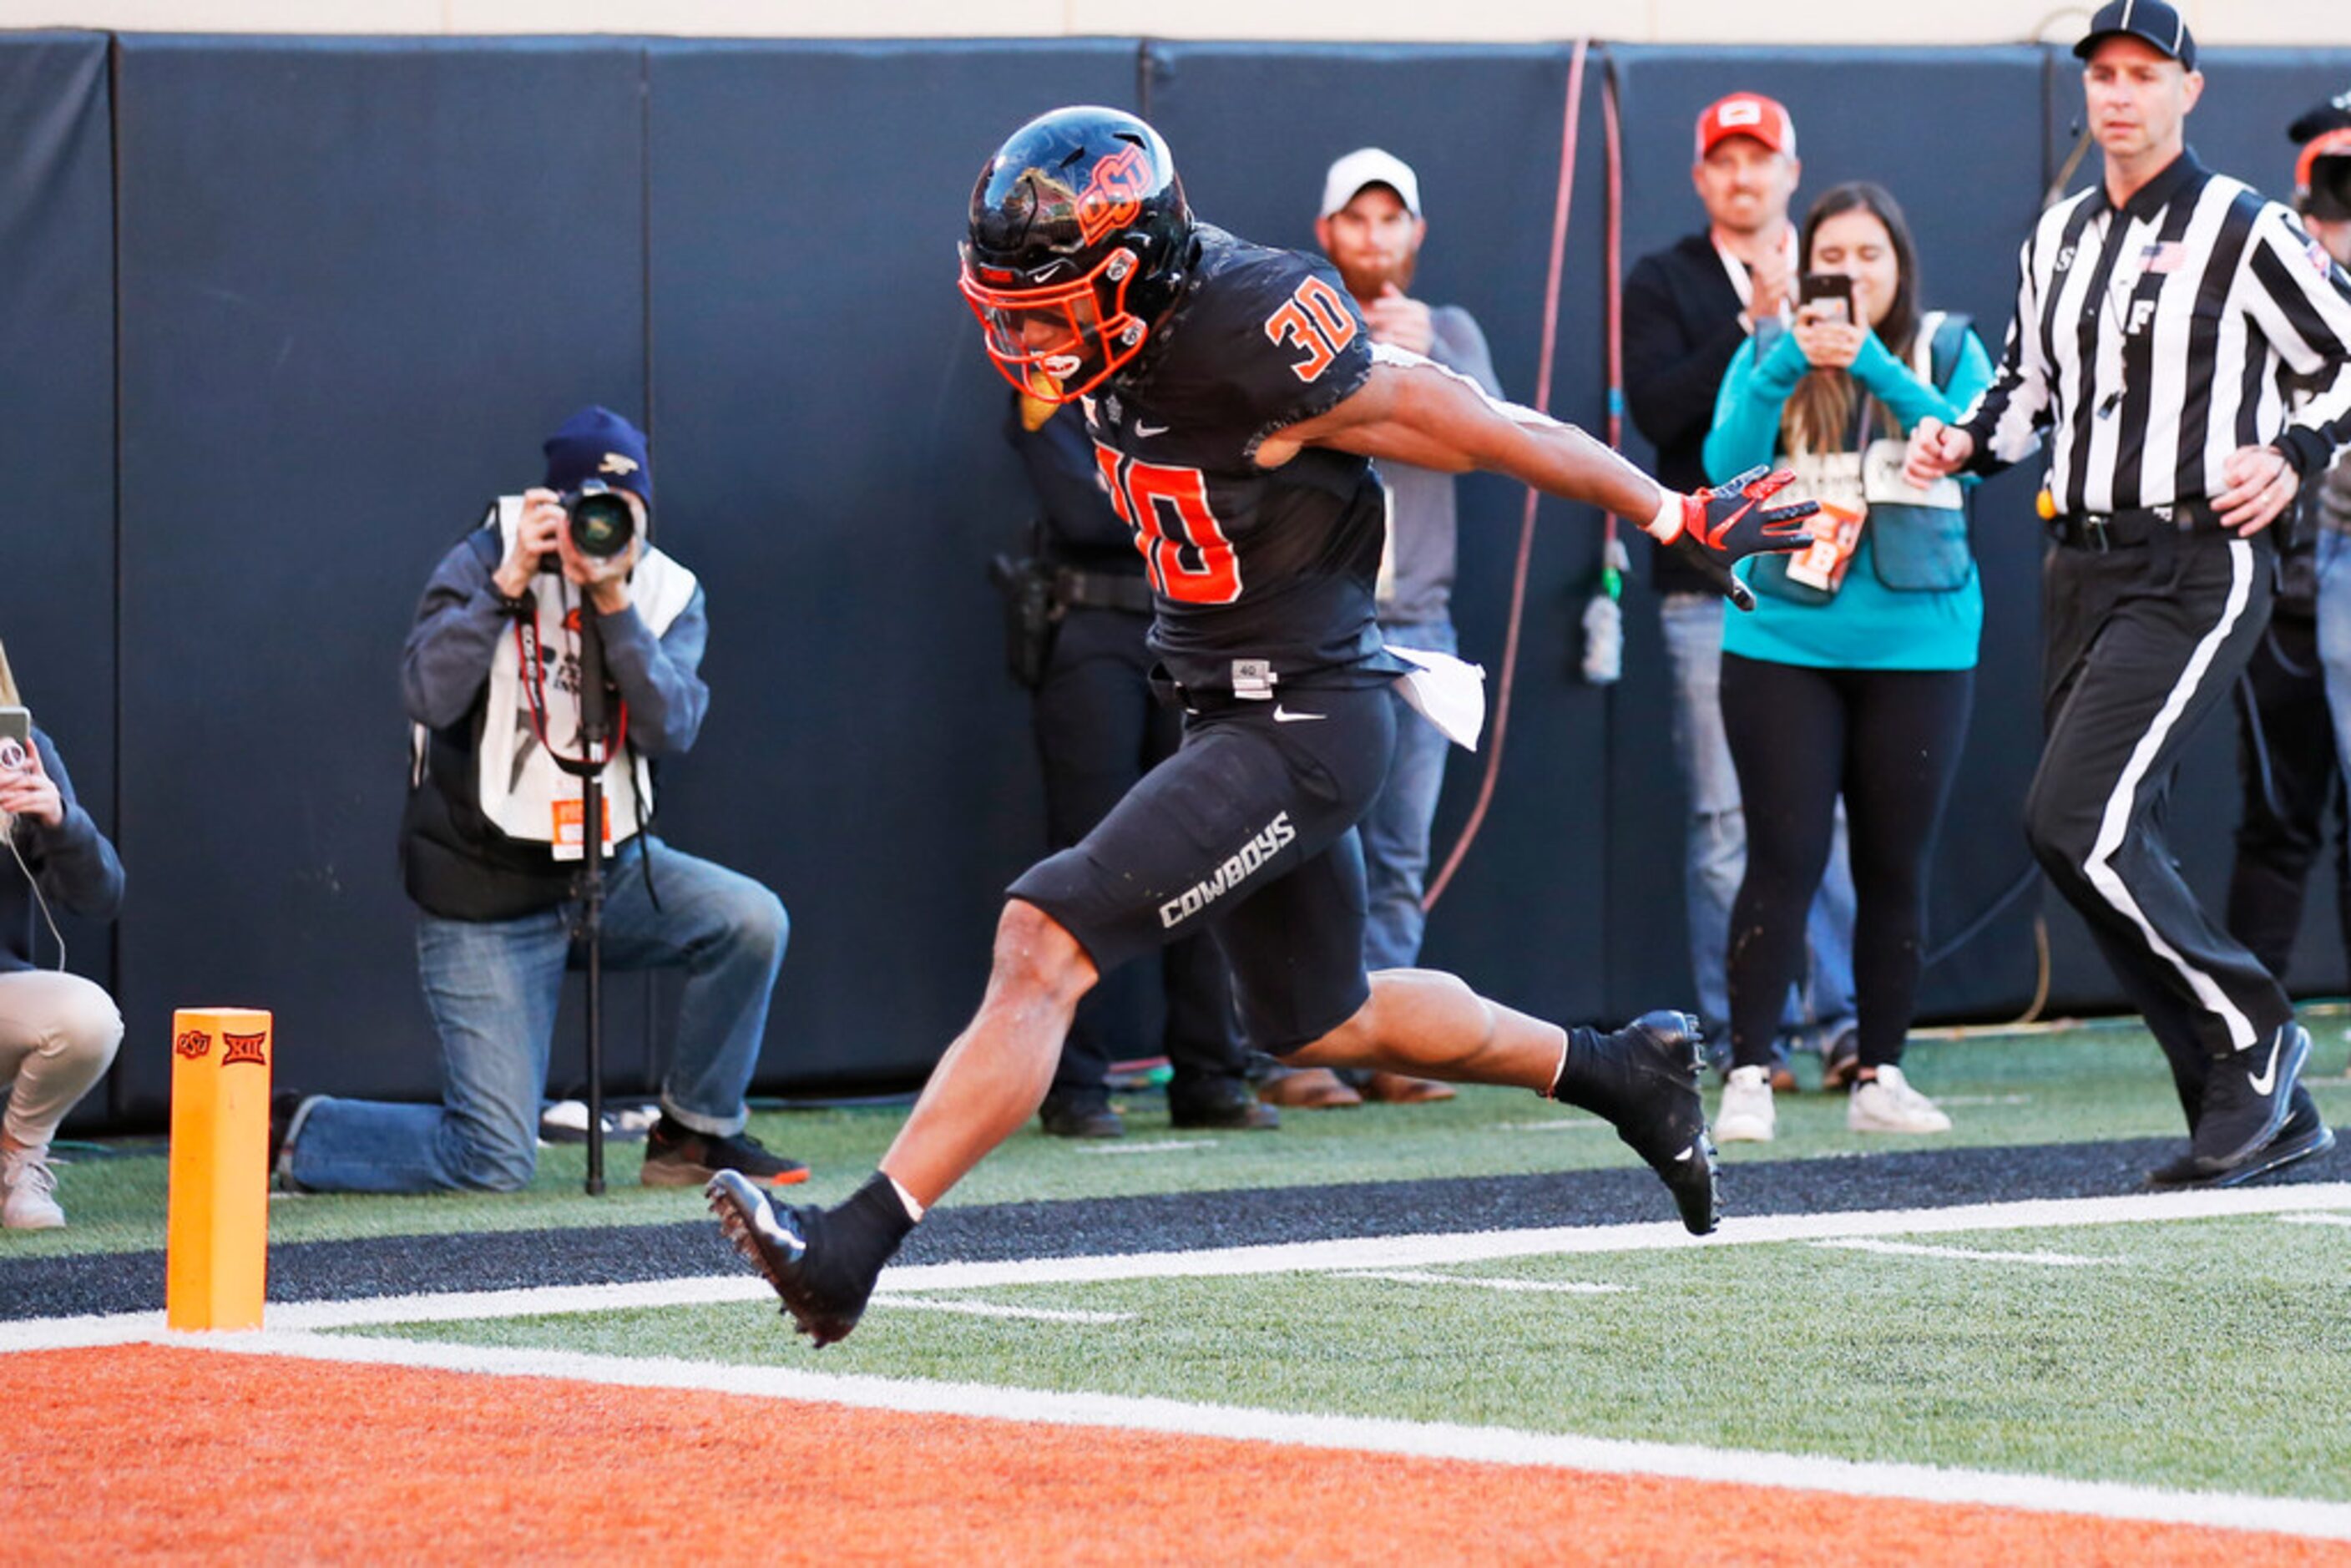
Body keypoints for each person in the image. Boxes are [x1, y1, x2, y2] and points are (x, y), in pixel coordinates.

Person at [706, 105, 1820, 1348]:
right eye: (1008, 305)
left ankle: (851, 1248)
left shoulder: (1248, 331)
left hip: (1298, 720)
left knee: (1042, 939)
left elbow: (1485, 425)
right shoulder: (1129, 323)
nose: (1024, 335)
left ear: (1131, 274)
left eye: (1048, 303)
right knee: (1325, 1017)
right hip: (1229, 706)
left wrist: (1670, 515)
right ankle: (1623, 1069)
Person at [1906, 2, 2351, 1188]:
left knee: (2076, 819)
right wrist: (1960, 443)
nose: (2117, 93)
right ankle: (2242, 1101)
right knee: (2086, 837)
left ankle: (2253, 1031)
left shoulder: (2245, 224)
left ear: (2188, 91)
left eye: (2142, 73)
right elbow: (2026, 388)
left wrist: (2296, 453)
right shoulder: (2055, 235)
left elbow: (2346, 351)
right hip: (2080, 560)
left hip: (2197, 560)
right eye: (2101, 73)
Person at [274, 407, 804, 1194]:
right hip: (483, 891)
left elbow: (671, 728)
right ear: (548, 506)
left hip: (610, 872)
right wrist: (505, 587)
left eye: (624, 512)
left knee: (749, 920)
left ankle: (694, 1136)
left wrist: (616, 607)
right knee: (490, 1161)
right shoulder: (485, 558)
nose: (604, 527)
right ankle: (287, 1130)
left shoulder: (664, 590)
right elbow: (427, 694)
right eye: (588, 508)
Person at [1703, 183, 1995, 1141]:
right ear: (1802, 267)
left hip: (1919, 643)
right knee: (1780, 856)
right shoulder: (1764, 353)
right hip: (1781, 637)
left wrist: (1871, 364)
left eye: (1871, 256)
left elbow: (1961, 440)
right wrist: (1785, 357)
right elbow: (1723, 468)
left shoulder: (1946, 345)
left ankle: (1881, 1072)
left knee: (1891, 864)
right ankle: (1749, 1071)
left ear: (1899, 267)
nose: (1853, 273)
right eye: (1834, 256)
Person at [1623, 92, 1859, 1090]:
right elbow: (1655, 415)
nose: (1742, 176)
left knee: (1830, 815)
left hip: (1826, 579)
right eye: (1723, 160)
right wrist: (1752, 326)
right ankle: (1736, 1034)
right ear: (1698, 178)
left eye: (1758, 158)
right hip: (1707, 584)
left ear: (1791, 172)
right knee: (1725, 814)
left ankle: (1840, 1022)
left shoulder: (1843, 270)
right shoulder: (1665, 278)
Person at [1279, 145, 1499, 1110]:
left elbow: (1489, 438)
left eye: (1390, 220)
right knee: (1306, 841)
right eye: (1356, 221)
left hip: (1418, 621)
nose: (1374, 239)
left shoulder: (1448, 327)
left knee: (1402, 848)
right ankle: (1301, 1048)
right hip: (1312, 621)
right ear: (1326, 233)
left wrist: (1427, 359)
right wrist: (1353, 354)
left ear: (1415, 234)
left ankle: (1392, 1043)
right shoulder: (1285, 323)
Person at [1002, 391, 1277, 1138]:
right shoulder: (1050, 380)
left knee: (1210, 845)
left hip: (1198, 629)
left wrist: (1175, 505)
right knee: (1087, 854)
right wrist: (1184, 506)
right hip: (1095, 627)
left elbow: (1249, 510)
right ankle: (1074, 1083)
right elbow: (1087, 517)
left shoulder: (1196, 370)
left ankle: (1212, 1075)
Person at [2225, 100, 2351, 994]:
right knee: (2276, 815)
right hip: (2282, 582)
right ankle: (2250, 1032)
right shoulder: (2265, 273)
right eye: (2332, 186)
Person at [0, 643, 125, 1230]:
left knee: (88, 1017)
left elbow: (100, 896)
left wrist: (58, 820)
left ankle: (16, 1162)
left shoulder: (24, 751)